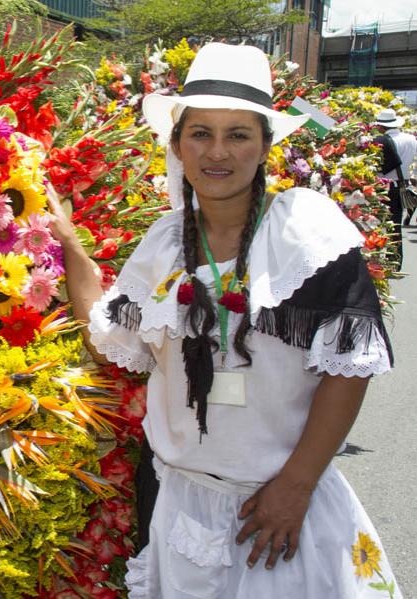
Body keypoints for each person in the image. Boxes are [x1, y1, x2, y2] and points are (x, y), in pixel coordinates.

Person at [49, 42, 401, 598]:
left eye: (238, 134)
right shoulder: (164, 242)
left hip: (279, 511)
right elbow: (109, 339)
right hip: (181, 504)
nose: (218, 152)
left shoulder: (305, 232)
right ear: (178, 144)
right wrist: (70, 247)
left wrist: (297, 484)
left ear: (264, 146)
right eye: (201, 133)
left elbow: (348, 367)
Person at [374, 108, 416, 265]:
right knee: (395, 224)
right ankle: (395, 260)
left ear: (380, 126)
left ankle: (377, 259)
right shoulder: (411, 139)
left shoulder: (380, 141)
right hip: (402, 185)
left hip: (382, 187)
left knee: (375, 224)